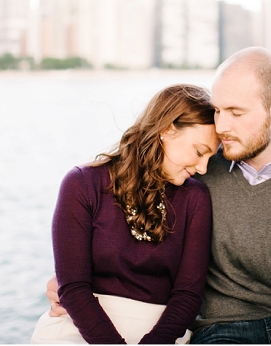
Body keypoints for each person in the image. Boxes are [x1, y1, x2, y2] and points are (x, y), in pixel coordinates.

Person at [48, 47, 271, 344]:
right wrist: (70, 283)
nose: (221, 127)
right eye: (218, 111)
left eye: (236, 113)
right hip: (225, 332)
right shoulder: (197, 166)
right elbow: (127, 205)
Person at [32, 84, 220, 344]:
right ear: (167, 129)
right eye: (199, 152)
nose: (203, 167)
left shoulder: (195, 198)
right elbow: (73, 287)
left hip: (162, 331)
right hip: (82, 327)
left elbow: (188, 295)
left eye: (211, 157)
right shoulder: (83, 184)